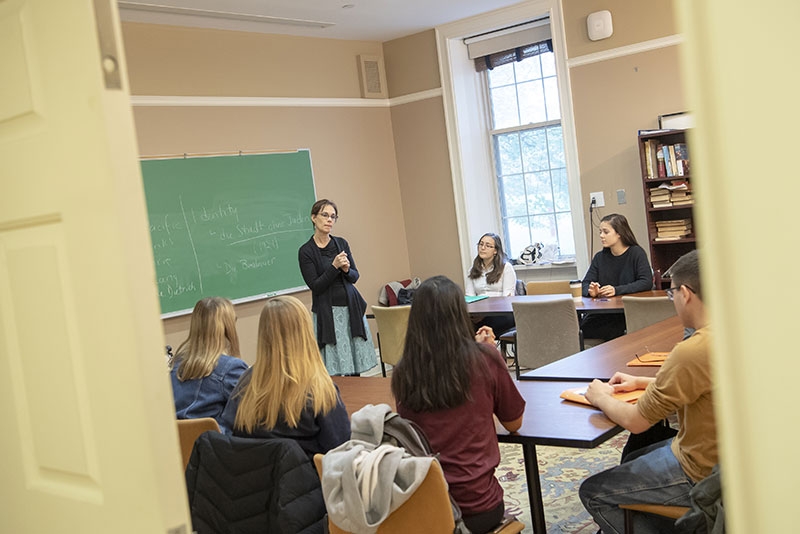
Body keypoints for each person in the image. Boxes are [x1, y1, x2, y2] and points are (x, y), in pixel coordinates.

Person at [579, 250, 715, 534]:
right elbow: (705, 387)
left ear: (686, 294)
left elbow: (636, 420)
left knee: (592, 491)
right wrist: (642, 383)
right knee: (632, 457)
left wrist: (599, 395)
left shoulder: (692, 351)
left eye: (672, 293)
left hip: (700, 471)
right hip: (725, 462)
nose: (673, 300)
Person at [391, 276, 526, 534]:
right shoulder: (483, 359)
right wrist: (490, 354)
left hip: (425, 509)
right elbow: (514, 422)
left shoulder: (403, 371)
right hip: (479, 508)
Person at [220, 295, 350, 456]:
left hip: (252, 479)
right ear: (305, 333)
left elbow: (228, 435)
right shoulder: (319, 391)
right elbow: (342, 450)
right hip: (306, 479)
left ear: (264, 334)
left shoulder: (246, 384)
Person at [298, 199, 378, 376]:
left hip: (351, 309)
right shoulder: (306, 251)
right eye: (325, 215)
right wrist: (334, 267)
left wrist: (347, 269)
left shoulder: (341, 244)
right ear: (313, 217)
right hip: (327, 313)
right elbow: (316, 286)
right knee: (332, 370)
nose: (329, 220)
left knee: (354, 368)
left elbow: (355, 277)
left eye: (333, 217)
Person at [169, 297, 248, 427]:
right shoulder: (231, 369)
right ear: (228, 328)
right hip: (214, 444)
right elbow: (251, 414)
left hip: (180, 445)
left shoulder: (176, 366)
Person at [581, 213, 653, 340]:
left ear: (619, 233)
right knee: (582, 330)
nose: (601, 236)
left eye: (606, 232)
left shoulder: (636, 253)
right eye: (600, 232)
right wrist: (591, 291)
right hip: (602, 313)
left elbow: (646, 282)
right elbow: (585, 283)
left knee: (614, 332)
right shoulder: (599, 257)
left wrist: (616, 290)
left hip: (627, 313)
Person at [465, 232, 518, 334]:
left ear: (495, 251)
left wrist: (485, 314)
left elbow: (507, 298)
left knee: (481, 329)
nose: (483, 248)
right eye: (481, 244)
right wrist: (475, 315)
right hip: (478, 314)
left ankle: (485, 348)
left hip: (501, 314)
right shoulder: (472, 270)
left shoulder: (506, 268)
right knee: (460, 325)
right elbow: (469, 297)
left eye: (488, 246)